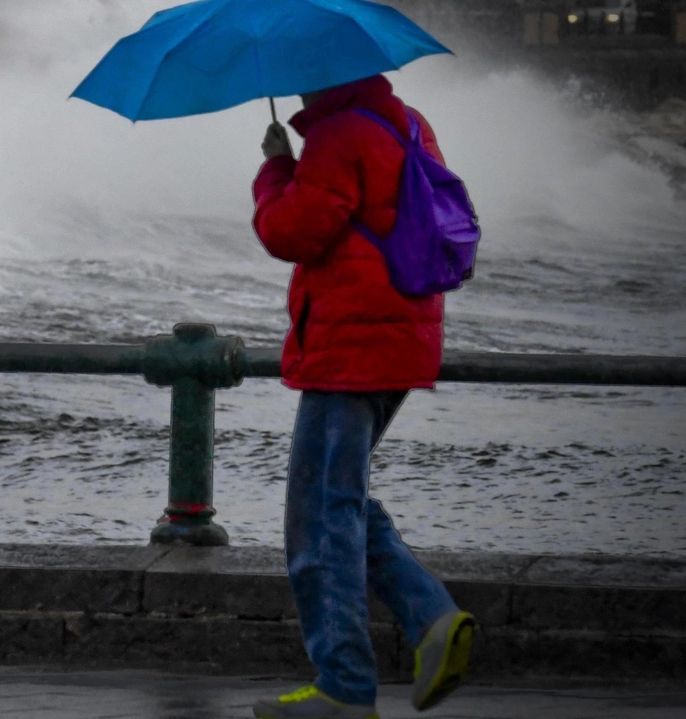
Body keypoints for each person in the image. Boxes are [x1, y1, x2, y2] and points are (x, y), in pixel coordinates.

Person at [248, 74, 476, 719]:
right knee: (335, 499)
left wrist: (273, 173)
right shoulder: (407, 121)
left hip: (351, 345)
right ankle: (430, 618)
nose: (292, 89)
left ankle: (345, 686)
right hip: (401, 336)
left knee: (319, 512)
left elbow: (292, 233)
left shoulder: (337, 135)